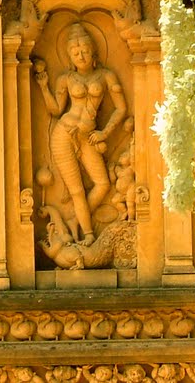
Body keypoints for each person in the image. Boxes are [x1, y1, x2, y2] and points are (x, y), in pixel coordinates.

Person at [35, 23, 127, 245]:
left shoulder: (106, 76)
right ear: (69, 55)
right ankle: (88, 234)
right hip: (64, 134)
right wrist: (44, 87)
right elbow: (56, 110)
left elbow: (121, 108)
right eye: (76, 53)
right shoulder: (66, 79)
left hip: (88, 135)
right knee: (76, 190)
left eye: (85, 51)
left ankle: (76, 219)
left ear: (93, 50)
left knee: (103, 184)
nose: (81, 56)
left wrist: (104, 133)